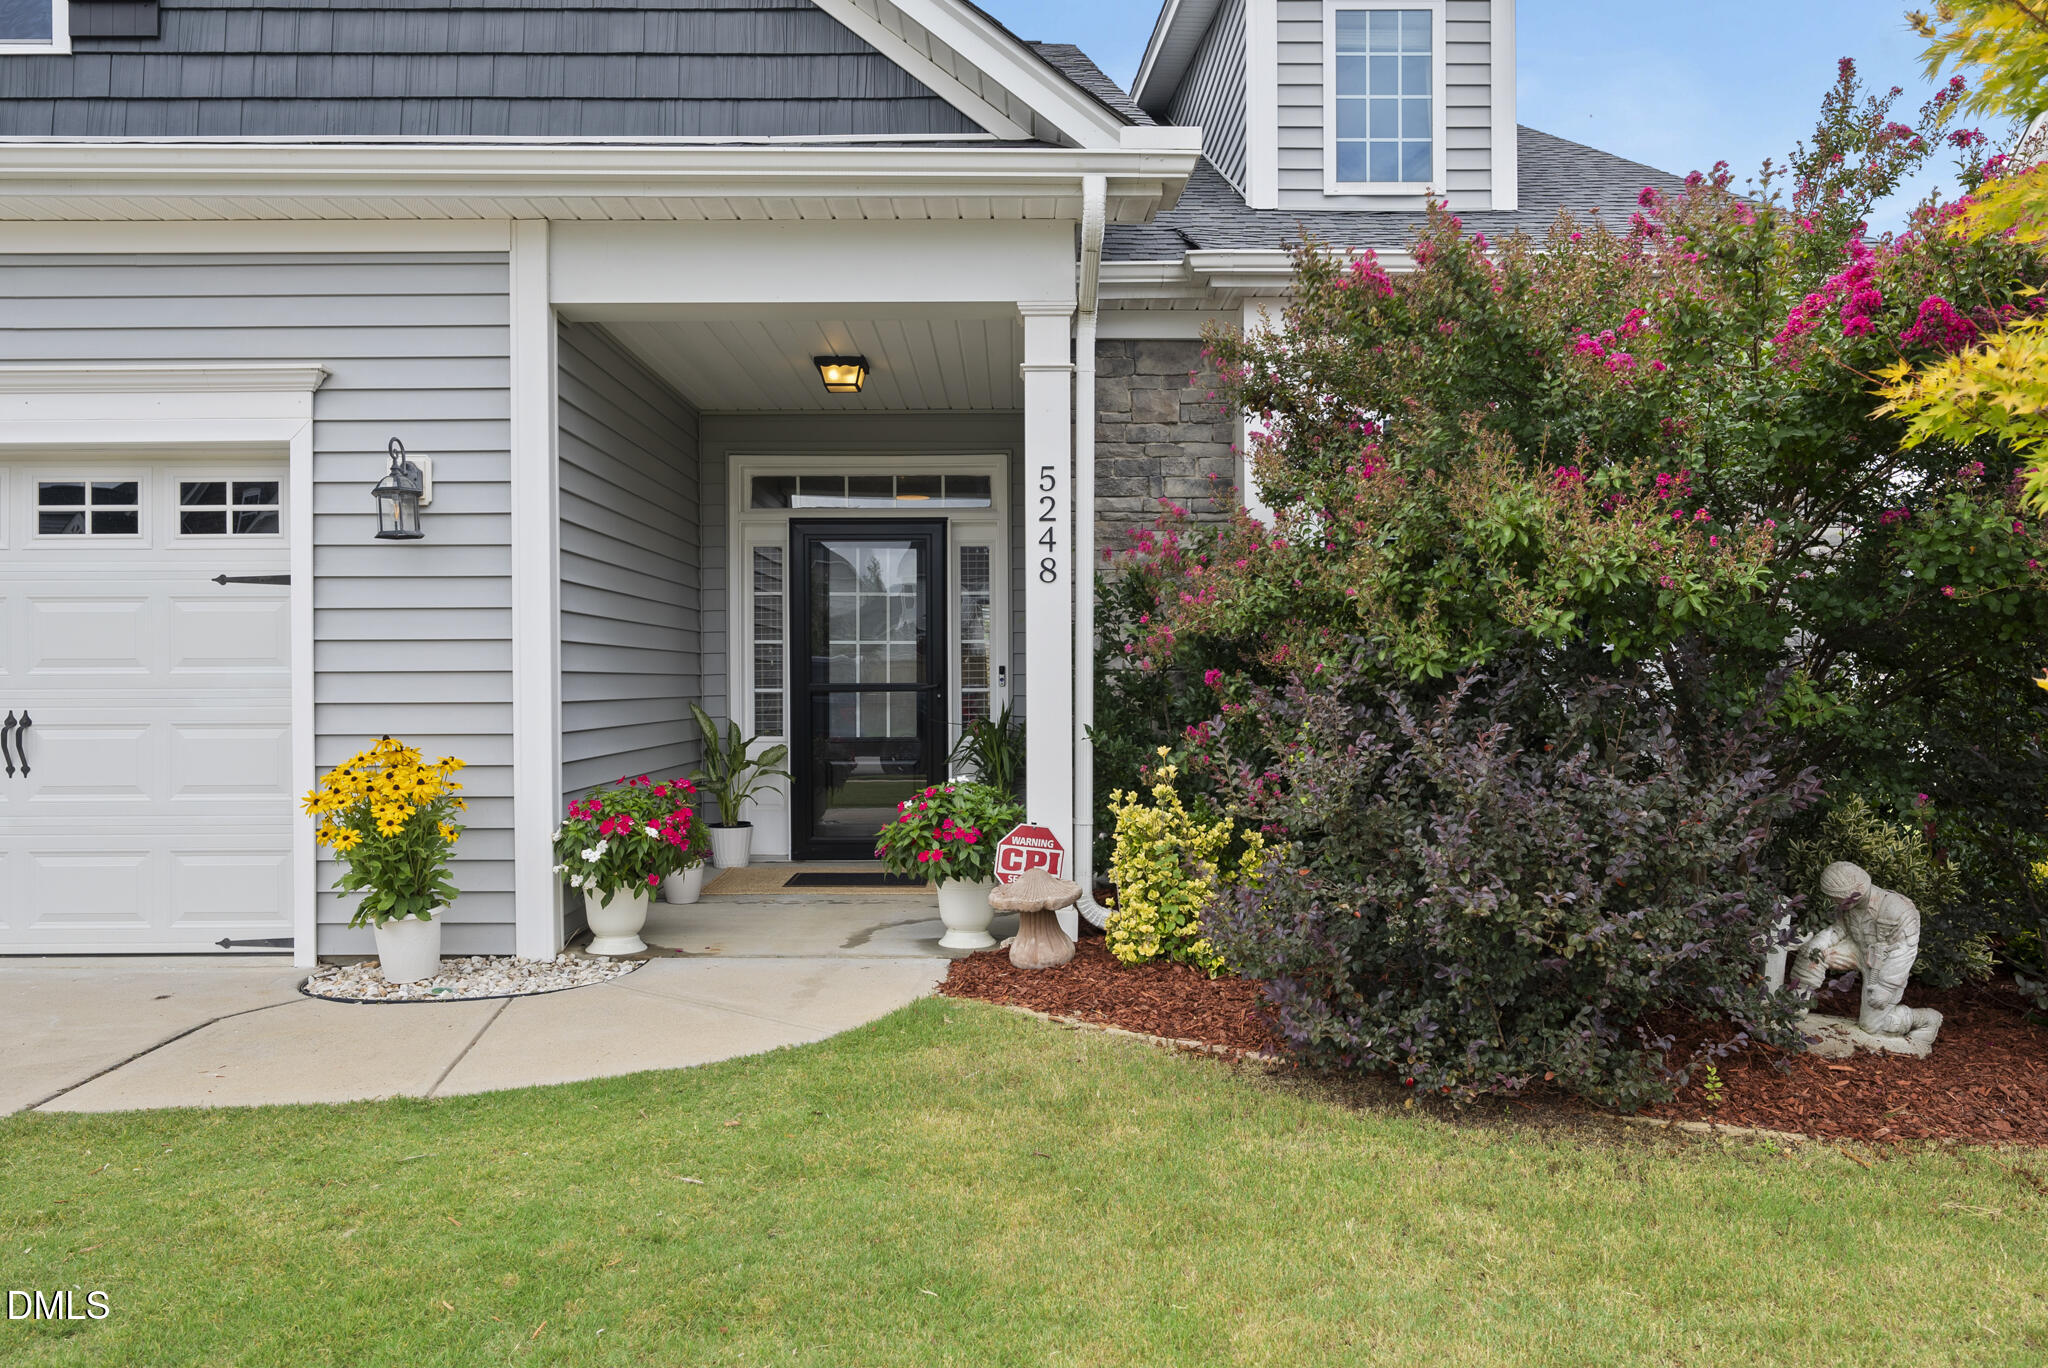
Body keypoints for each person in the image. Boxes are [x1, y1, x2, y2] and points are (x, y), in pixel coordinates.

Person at [1790, 861, 1942, 1040]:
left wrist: (1886, 987)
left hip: (1884, 965)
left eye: (1837, 898)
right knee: (1813, 951)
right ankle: (1795, 1004)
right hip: (1856, 948)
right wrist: (1820, 941)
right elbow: (1840, 928)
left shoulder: (1898, 909)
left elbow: (1904, 951)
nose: (1834, 902)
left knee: (1874, 1027)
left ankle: (1927, 1019)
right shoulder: (1848, 905)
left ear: (1855, 892)